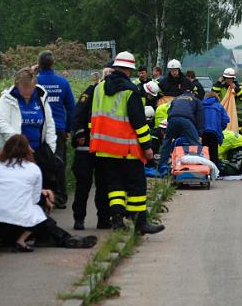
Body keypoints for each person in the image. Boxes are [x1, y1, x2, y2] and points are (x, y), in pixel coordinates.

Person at [0, 135, 96, 251]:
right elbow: (35, 199)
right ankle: (61, 238)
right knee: (37, 213)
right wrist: (45, 198)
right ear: (27, 150)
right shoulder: (33, 169)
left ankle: (54, 238)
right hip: (18, 225)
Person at [90, 52, 164, 234]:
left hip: (104, 148)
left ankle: (116, 221)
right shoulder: (131, 91)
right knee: (137, 185)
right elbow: (139, 123)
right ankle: (140, 224)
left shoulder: (99, 88)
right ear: (129, 70)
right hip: (127, 148)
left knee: (115, 186)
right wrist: (147, 147)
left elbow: (94, 117)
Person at [0, 68, 59, 190]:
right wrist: (20, 143)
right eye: (24, 87)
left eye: (31, 87)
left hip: (38, 153)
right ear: (17, 84)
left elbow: (49, 125)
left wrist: (51, 149)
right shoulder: (6, 99)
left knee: (38, 189)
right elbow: (1, 123)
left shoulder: (41, 99)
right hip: (14, 153)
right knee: (17, 188)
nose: (28, 91)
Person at [70, 67, 112, 231]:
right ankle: (78, 219)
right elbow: (78, 113)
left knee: (104, 186)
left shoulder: (115, 96)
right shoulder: (91, 91)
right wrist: (80, 132)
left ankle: (103, 219)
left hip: (104, 148)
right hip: (86, 147)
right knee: (83, 184)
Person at [36, 50, 76, 209]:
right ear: (53, 64)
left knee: (38, 164)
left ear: (38, 64)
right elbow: (72, 108)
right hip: (58, 129)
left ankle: (42, 197)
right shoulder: (63, 82)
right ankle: (60, 197)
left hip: (38, 129)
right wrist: (68, 129)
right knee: (59, 163)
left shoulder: (35, 82)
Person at [158, 88, 204, 168]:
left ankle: (162, 165)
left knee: (167, 141)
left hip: (172, 119)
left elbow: (169, 111)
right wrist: (199, 133)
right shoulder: (196, 100)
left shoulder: (176, 99)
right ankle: (198, 166)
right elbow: (200, 118)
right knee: (195, 142)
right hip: (186, 120)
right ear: (193, 94)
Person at [201, 91, 230, 168]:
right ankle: (214, 172)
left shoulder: (200, 105)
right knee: (214, 152)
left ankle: (204, 170)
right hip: (214, 133)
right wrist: (220, 128)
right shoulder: (219, 106)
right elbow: (225, 120)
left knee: (203, 152)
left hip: (202, 133)